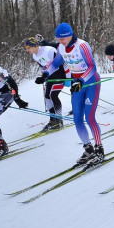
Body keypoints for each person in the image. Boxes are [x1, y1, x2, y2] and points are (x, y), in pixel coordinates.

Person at [35, 23, 104, 165]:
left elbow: (92, 66)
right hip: (76, 82)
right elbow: (55, 63)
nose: (60, 42)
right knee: (77, 119)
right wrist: (46, 74)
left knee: (89, 117)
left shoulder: (82, 45)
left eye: (62, 39)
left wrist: (81, 80)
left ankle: (99, 148)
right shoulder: (61, 48)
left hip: (90, 82)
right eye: (58, 39)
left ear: (70, 35)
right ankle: (88, 148)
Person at [24, 37, 68, 131]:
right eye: (26, 48)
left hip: (60, 74)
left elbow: (61, 62)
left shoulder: (49, 50)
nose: (27, 50)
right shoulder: (35, 56)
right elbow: (43, 68)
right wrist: (42, 77)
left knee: (53, 95)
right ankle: (53, 119)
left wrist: (69, 75)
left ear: (35, 45)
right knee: (47, 97)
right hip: (50, 76)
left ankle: (59, 120)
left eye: (28, 48)